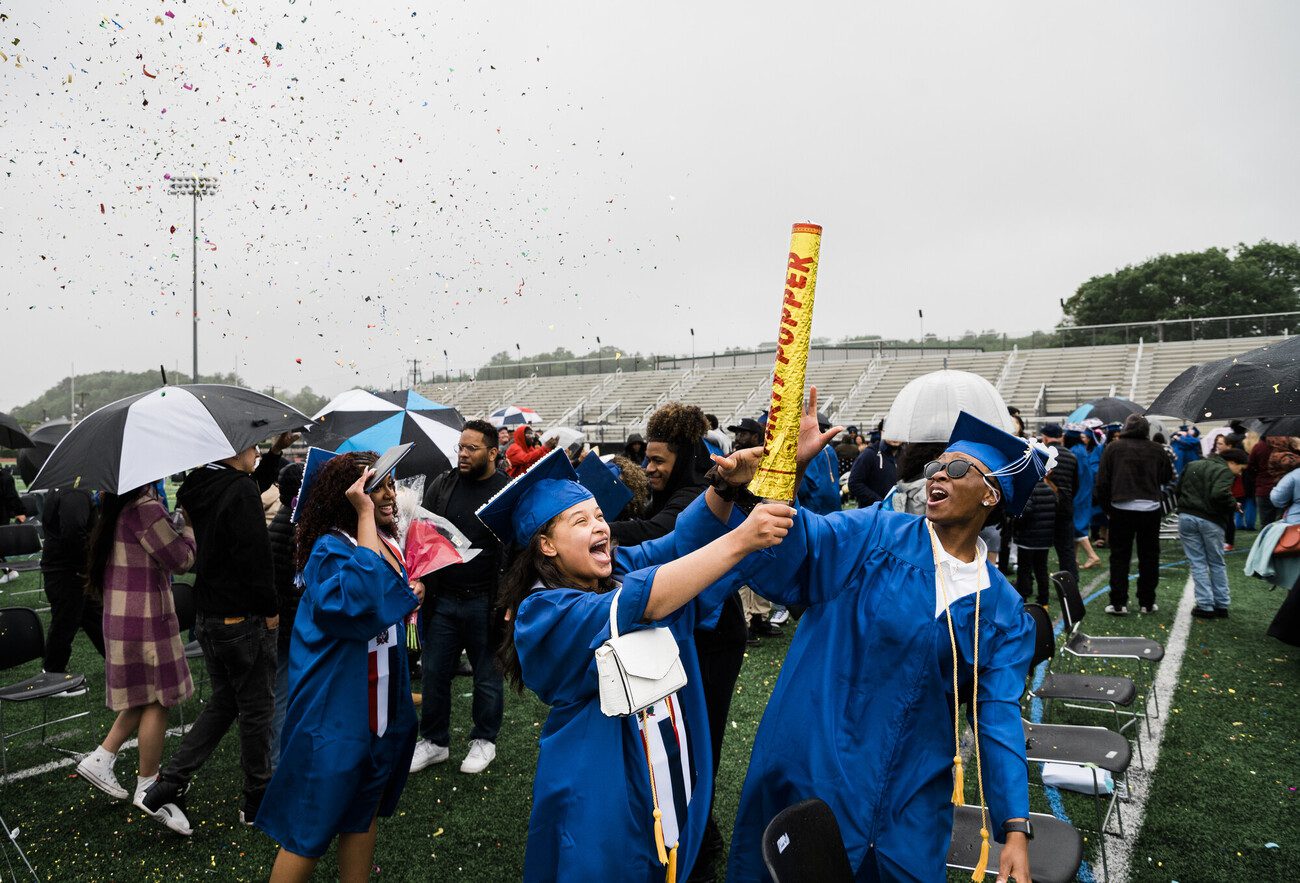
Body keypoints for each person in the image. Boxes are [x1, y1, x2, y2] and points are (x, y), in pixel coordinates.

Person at [725, 409, 1040, 883]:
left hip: (914, 789)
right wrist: (786, 472)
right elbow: (795, 543)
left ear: (991, 495)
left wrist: (1013, 828)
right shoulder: (873, 534)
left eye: (956, 469)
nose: (937, 475)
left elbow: (996, 714)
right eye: (936, 465)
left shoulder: (1005, 613)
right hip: (822, 758)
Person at [488, 448, 791, 882]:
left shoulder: (610, 568)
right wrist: (741, 539)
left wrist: (725, 486)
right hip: (598, 784)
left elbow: (677, 546)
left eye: (598, 516)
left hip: (652, 764)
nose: (600, 527)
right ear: (546, 545)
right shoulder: (543, 612)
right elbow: (645, 600)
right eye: (581, 521)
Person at [256, 452, 424, 882]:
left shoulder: (380, 541)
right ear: (350, 496)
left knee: (361, 812)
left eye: (392, 484)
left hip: (379, 711)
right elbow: (358, 598)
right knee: (310, 829)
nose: (390, 495)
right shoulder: (329, 548)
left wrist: (412, 590)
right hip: (338, 712)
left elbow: (382, 607)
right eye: (379, 485)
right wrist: (366, 513)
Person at [140, 432, 295, 828]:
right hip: (241, 617)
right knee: (257, 709)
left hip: (208, 614)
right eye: (252, 446)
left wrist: (274, 454)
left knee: (226, 701)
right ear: (230, 451)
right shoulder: (239, 489)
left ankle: (167, 783)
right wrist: (271, 607)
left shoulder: (197, 484)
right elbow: (255, 556)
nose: (257, 453)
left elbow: (241, 492)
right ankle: (257, 799)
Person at [75, 484, 196, 834]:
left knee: (144, 694)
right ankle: (147, 786)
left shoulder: (117, 507)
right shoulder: (144, 508)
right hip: (146, 620)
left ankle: (102, 757)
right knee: (160, 699)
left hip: (122, 616)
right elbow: (182, 559)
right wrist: (188, 526)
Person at [410, 420, 511, 775]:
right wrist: (421, 575)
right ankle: (434, 742)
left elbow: (516, 549)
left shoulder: (506, 490)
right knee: (434, 672)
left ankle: (484, 740)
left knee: (486, 675)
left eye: (472, 449)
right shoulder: (444, 482)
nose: (463, 454)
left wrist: (510, 599)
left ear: (493, 453)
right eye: (461, 447)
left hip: (486, 600)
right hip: (444, 599)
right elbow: (424, 533)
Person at [1095, 414, 1173, 615]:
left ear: (1126, 428)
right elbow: (1167, 477)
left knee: (1119, 557)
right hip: (1150, 509)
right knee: (1149, 556)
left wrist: (1108, 509)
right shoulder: (1157, 449)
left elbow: (1102, 482)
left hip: (1121, 508)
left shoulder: (1113, 448)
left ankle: (1118, 603)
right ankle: (1147, 602)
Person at [610, 403, 711, 546]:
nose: (649, 468)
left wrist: (597, 529)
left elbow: (655, 531)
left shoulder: (695, 495)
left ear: (682, 462)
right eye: (648, 460)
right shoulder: (668, 491)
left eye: (658, 460)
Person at [40, 485, 105, 679]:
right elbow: (73, 533)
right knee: (65, 623)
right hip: (70, 570)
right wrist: (90, 561)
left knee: (94, 617)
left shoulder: (66, 487)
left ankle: (119, 663)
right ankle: (53, 673)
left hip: (67, 567)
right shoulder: (75, 491)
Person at [1179, 447, 1249, 618]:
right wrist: (1233, 504)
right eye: (1240, 469)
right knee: (1216, 562)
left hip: (1187, 516)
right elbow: (1219, 493)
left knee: (1198, 562)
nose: (1239, 474)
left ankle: (1204, 605)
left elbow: (1178, 488)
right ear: (1232, 462)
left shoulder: (1193, 464)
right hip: (1211, 519)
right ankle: (1221, 604)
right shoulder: (1224, 471)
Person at [267, 461, 305, 767]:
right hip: (294, 625)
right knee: (286, 693)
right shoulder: (297, 526)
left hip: (284, 623)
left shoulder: (281, 521)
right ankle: (280, 759)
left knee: (282, 691)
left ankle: (279, 756)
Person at [1039, 423, 1078, 581]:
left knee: (1039, 548)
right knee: (1066, 548)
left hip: (1043, 506)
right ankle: (1070, 581)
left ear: (1046, 438)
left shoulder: (1041, 454)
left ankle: (1039, 584)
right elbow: (1076, 485)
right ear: (1061, 437)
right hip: (1065, 505)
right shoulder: (1071, 456)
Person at [1014, 478, 1057, 606]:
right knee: (1041, 570)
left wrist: (1016, 525)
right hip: (1044, 540)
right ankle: (1044, 601)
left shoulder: (1028, 491)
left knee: (1024, 570)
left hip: (1027, 540)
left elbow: (1025, 512)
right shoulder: (1050, 490)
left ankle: (1023, 600)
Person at [1065, 425, 1102, 568]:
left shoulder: (1075, 452)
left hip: (1079, 493)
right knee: (1077, 525)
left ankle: (1092, 555)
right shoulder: (1081, 450)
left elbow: (1076, 475)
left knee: (1076, 525)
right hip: (1085, 491)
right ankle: (1072, 558)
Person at [1251, 435, 1300, 528]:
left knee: (1268, 526)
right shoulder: (1286, 453)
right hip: (1280, 489)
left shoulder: (1259, 447)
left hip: (1265, 488)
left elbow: (1250, 467)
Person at [848, 437, 901, 509]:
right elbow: (854, 483)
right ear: (882, 432)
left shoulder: (906, 455)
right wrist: (881, 503)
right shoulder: (869, 454)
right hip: (872, 514)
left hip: (898, 514)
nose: (895, 435)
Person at [0, 465, 25, 583]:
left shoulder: (5, 478)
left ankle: (9, 571)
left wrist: (20, 512)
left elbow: (12, 497)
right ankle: (9, 571)